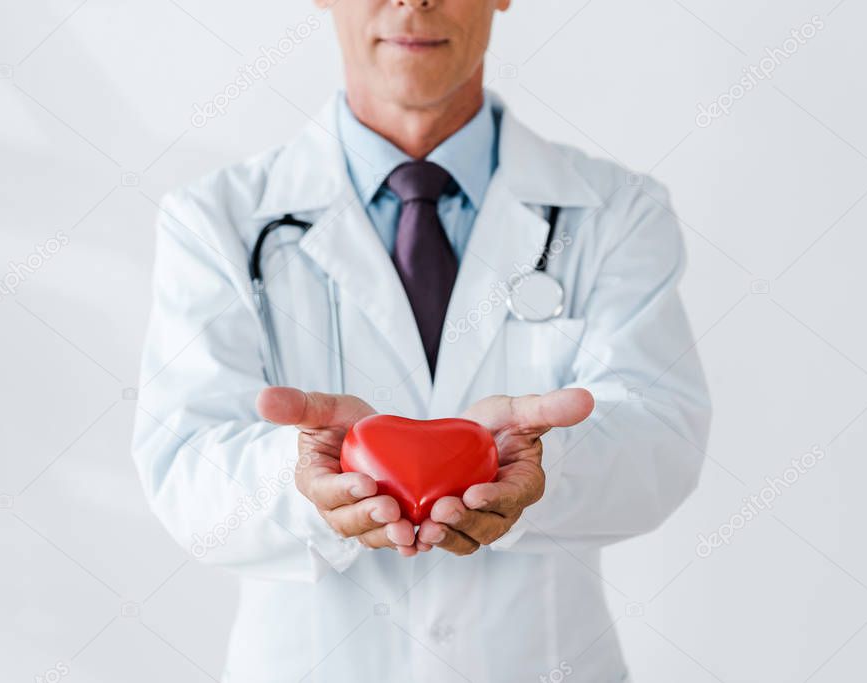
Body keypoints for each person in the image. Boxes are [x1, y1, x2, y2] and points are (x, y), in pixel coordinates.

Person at [132, 1, 711, 680]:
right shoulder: (214, 220)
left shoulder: (616, 212)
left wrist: (534, 470)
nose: (413, 0)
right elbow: (184, 473)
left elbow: (661, 441)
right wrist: (307, 481)